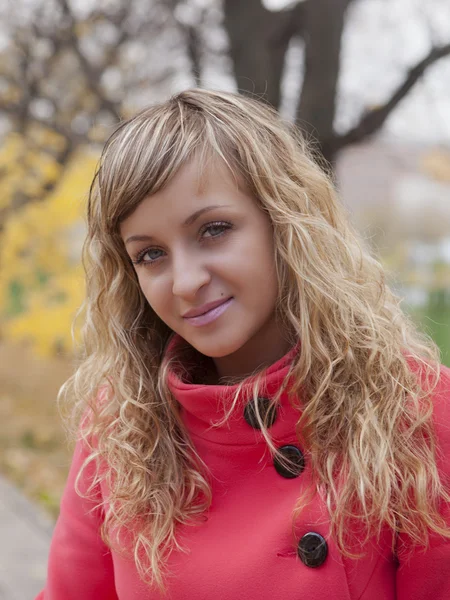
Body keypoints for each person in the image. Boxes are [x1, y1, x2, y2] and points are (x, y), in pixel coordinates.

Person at [36, 89, 450, 600]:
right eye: (150, 255)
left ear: (284, 224)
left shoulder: (416, 413)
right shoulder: (119, 426)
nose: (184, 281)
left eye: (213, 229)